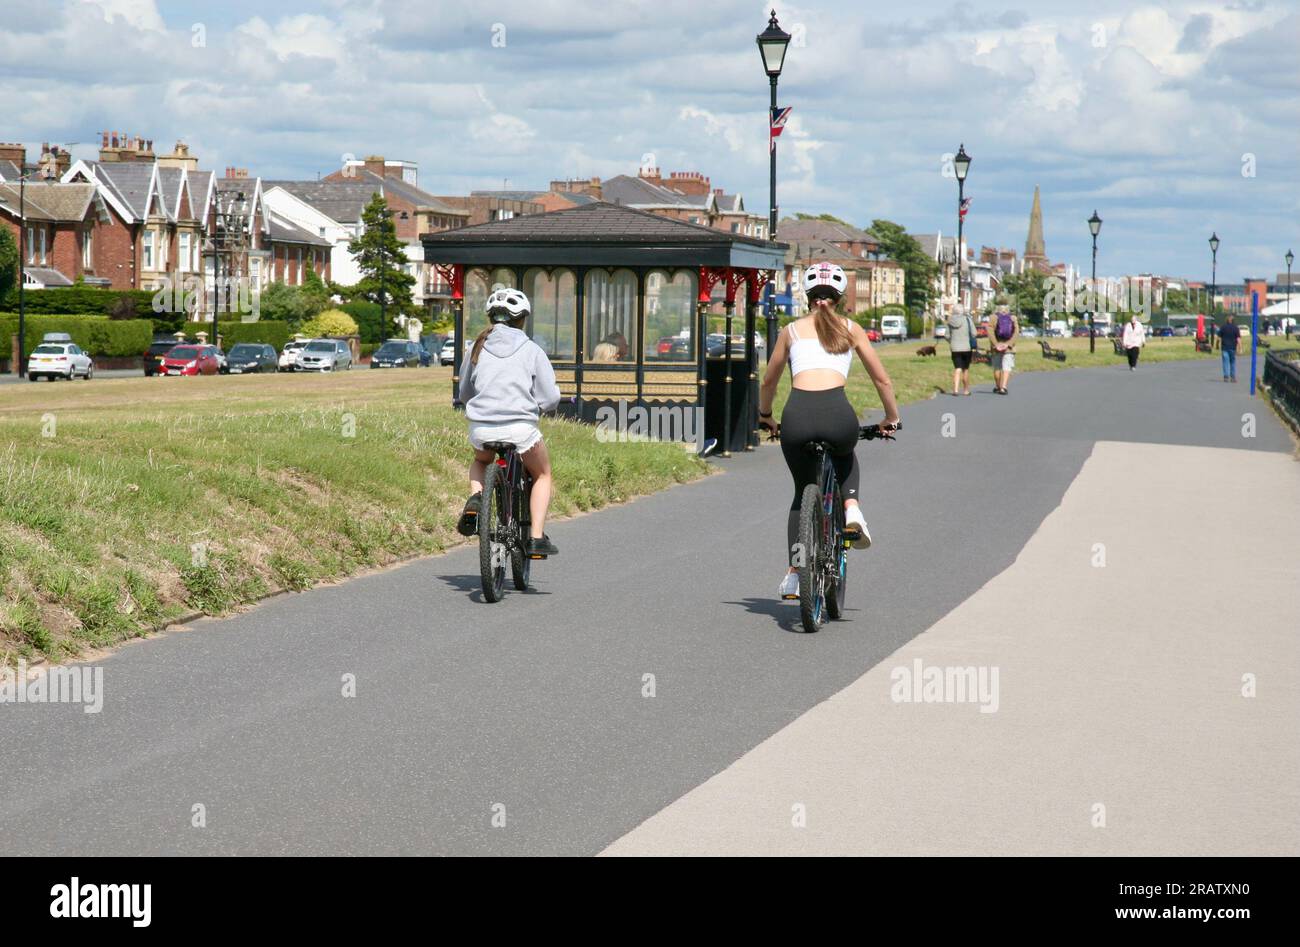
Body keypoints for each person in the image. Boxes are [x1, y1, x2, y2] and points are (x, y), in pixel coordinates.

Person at [758, 262, 901, 601]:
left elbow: (769, 381)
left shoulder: (790, 331)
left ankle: (794, 574)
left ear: (808, 296)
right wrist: (890, 417)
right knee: (845, 453)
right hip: (838, 415)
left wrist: (766, 416)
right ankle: (852, 508)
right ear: (840, 297)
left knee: (801, 492)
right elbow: (882, 379)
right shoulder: (851, 329)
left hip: (797, 417)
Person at [455, 288, 561, 557]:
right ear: (522, 318)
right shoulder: (532, 349)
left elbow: (465, 393)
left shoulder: (476, 347)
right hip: (521, 430)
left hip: (481, 428)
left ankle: (478, 497)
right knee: (542, 474)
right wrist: (543, 405)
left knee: (481, 461)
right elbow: (549, 398)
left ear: (491, 317)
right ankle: (536, 537)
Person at [946, 306, 976, 395]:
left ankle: (955, 390)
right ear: (962, 311)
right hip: (966, 347)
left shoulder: (950, 321)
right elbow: (974, 333)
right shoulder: (968, 320)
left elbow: (947, 335)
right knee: (965, 369)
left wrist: (952, 342)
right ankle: (966, 390)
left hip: (955, 348)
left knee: (957, 368)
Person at [990, 305, 1018, 394]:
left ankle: (998, 386)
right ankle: (1004, 387)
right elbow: (1016, 332)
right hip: (1009, 348)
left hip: (996, 347)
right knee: (1007, 367)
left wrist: (995, 344)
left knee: (997, 367)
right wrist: (1009, 344)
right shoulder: (1013, 318)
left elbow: (990, 332)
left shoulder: (993, 317)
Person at [1218, 314, 1241, 383]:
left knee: (1225, 362)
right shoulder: (1236, 328)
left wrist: (1217, 345)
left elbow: (1218, 337)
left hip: (1224, 347)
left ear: (1227, 320)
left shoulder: (1223, 327)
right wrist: (1240, 348)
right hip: (1233, 348)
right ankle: (1233, 377)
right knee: (1232, 362)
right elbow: (1238, 338)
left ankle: (1226, 377)